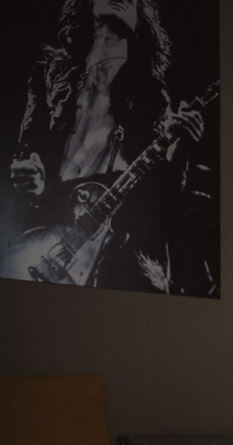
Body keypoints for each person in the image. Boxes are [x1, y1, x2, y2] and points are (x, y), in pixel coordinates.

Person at [7, 0, 207, 293]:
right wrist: (27, 169)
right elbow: (28, 146)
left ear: (141, 20)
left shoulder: (151, 94)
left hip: (110, 255)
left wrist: (180, 152)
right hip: (44, 236)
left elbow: (160, 202)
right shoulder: (49, 74)